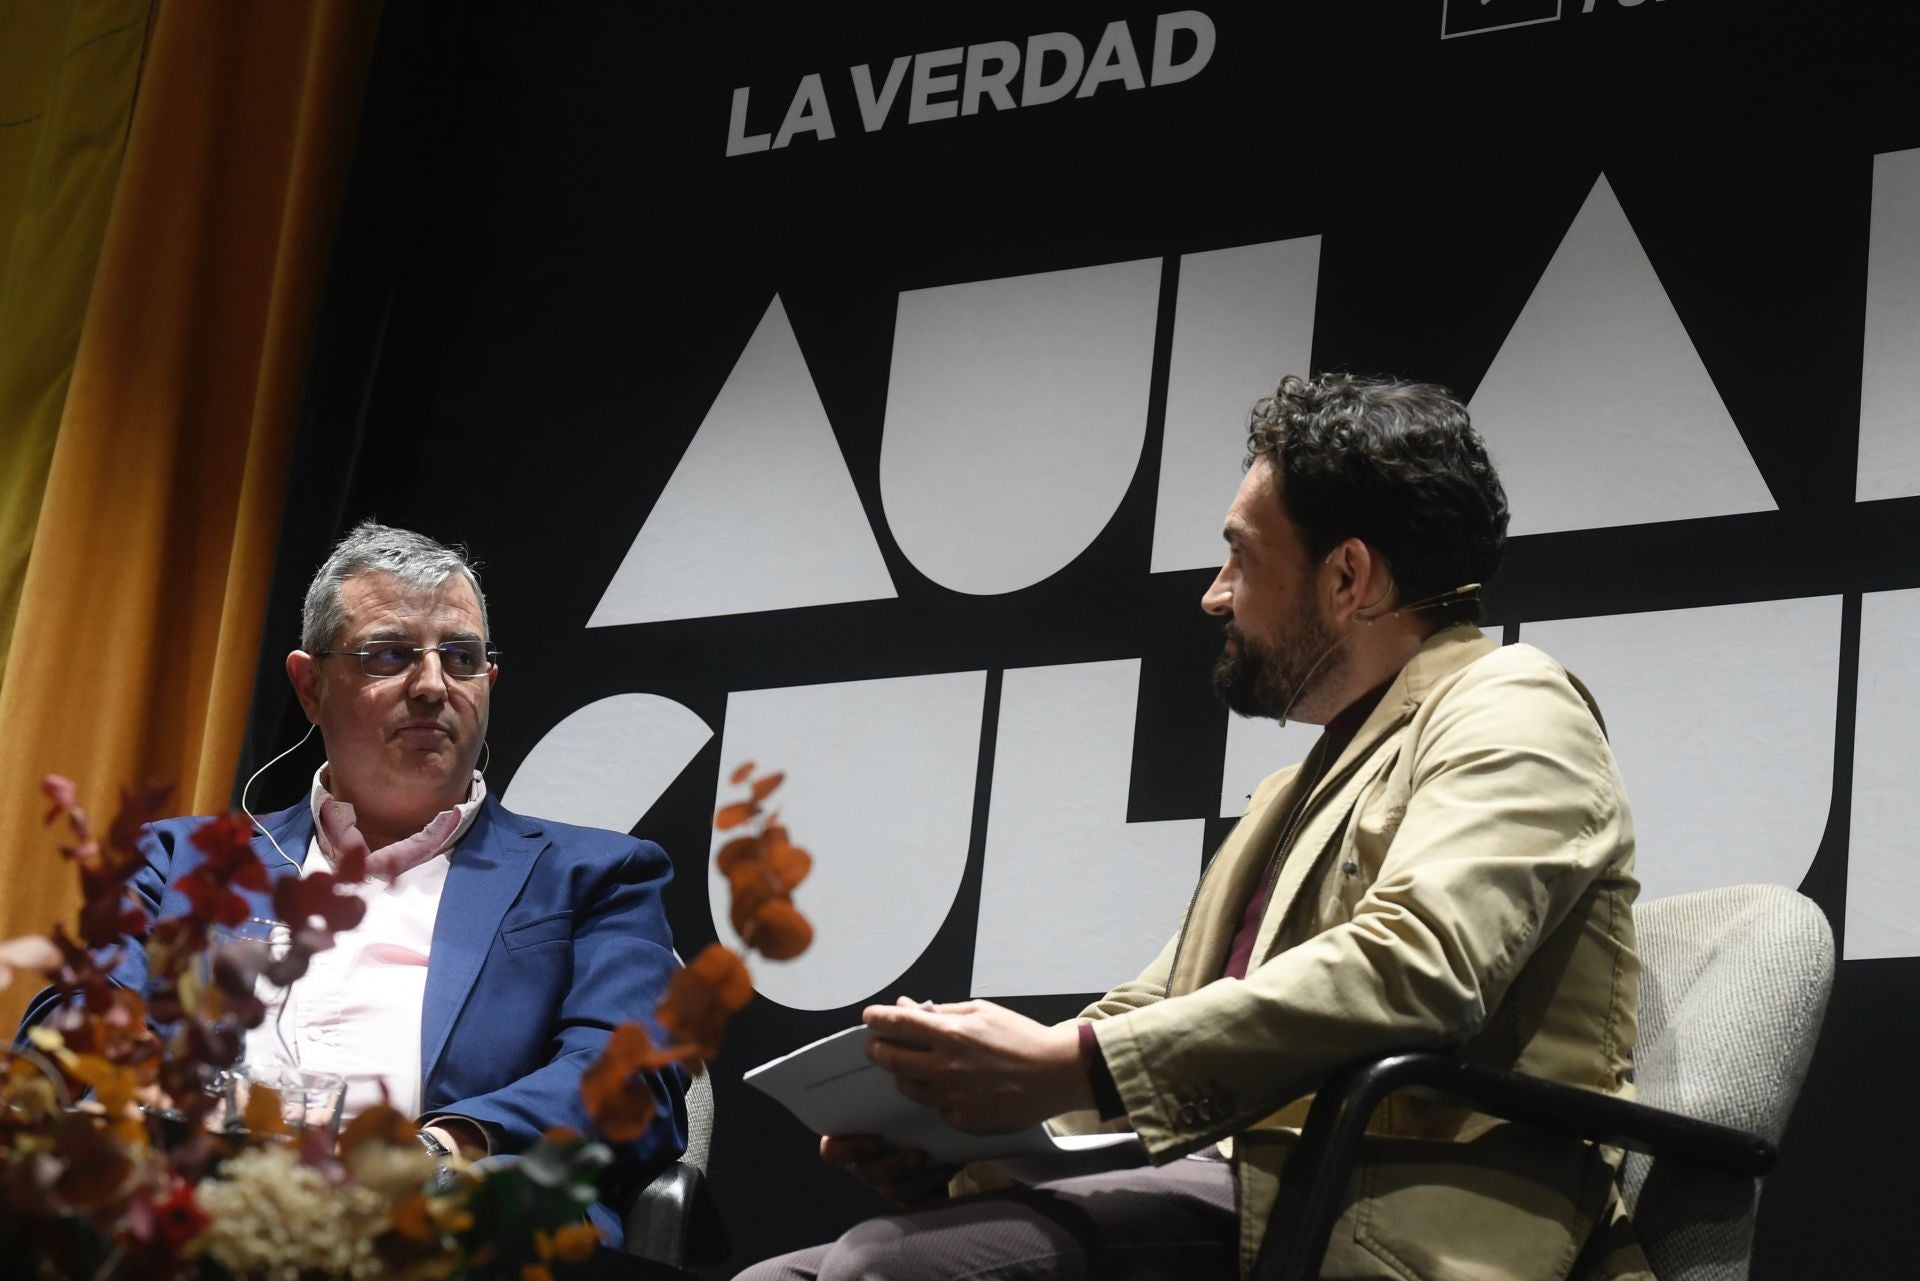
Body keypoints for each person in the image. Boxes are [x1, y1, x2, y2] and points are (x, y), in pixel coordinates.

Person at [740, 373, 1647, 1280]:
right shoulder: (1297, 787)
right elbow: (1156, 1013)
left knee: (875, 1269)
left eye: (1242, 558)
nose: (1216, 596)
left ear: (1348, 576)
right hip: (1246, 1185)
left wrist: (1067, 1064)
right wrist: (966, 1133)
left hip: (1384, 1214)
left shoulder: (1513, 700)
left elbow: (1418, 965)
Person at [20, 522, 684, 1244]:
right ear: (310, 686)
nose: (433, 686)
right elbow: (74, 1031)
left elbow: (632, 1074)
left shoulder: (594, 874)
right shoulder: (179, 860)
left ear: (486, 682)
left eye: (459, 658)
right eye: (391, 654)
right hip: (187, 1211)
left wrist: (448, 1146)